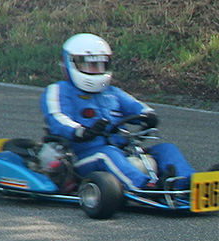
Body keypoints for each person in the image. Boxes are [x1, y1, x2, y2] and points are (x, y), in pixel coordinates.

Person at [41, 33, 194, 192]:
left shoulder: (111, 92)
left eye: (100, 65)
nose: (95, 70)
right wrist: (81, 131)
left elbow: (136, 106)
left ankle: (186, 183)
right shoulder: (59, 90)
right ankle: (147, 186)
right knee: (107, 154)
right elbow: (57, 118)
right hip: (80, 158)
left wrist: (148, 115)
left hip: (123, 151)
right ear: (70, 63)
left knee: (166, 149)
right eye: (90, 65)